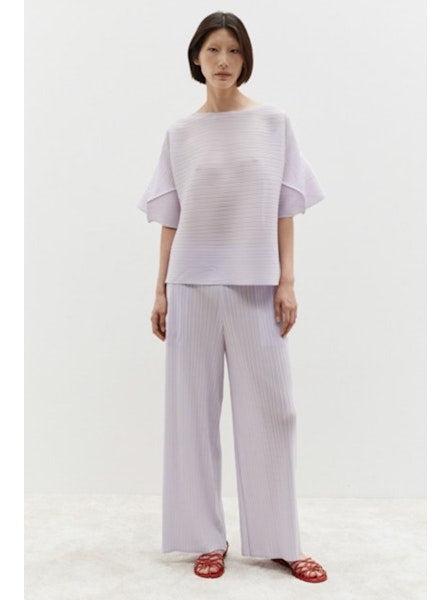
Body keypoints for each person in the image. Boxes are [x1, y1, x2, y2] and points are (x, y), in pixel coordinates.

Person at [137, 11, 328, 584]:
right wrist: (159, 290)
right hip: (190, 284)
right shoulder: (180, 134)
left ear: (246, 59)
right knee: (191, 415)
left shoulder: (273, 123)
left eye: (234, 51)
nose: (224, 61)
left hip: (255, 285)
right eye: (213, 50)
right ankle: (205, 538)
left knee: (274, 410)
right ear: (196, 58)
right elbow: (171, 218)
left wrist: (287, 281)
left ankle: (279, 540)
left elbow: (285, 206)